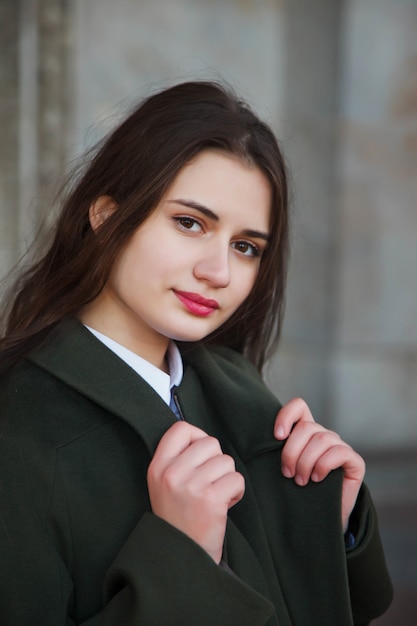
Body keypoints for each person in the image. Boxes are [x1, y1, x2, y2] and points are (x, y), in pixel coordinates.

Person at [0, 80, 392, 626]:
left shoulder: (239, 386)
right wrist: (181, 555)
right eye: (189, 222)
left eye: (245, 246)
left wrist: (331, 523)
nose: (219, 273)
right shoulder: (20, 426)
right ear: (107, 215)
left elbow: (346, 604)